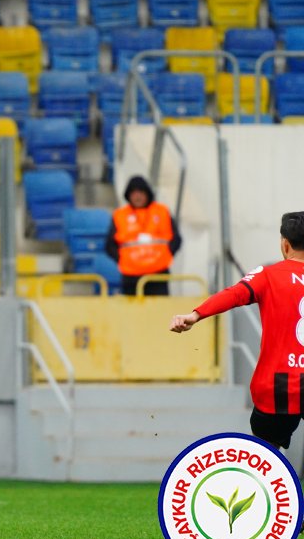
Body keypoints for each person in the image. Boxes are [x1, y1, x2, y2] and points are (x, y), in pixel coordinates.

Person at [170, 212, 304, 449]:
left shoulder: (269, 275)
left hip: (278, 384)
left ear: (285, 244)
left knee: (266, 454)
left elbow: (234, 294)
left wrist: (195, 314)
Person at [105, 175, 183, 296]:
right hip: (131, 277)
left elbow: (176, 239)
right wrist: (122, 259)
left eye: (141, 192)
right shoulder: (120, 215)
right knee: (132, 313)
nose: (137, 196)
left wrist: (166, 255)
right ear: (128, 195)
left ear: (147, 193)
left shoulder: (161, 211)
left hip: (158, 275)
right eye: (134, 193)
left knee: (159, 311)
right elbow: (109, 245)